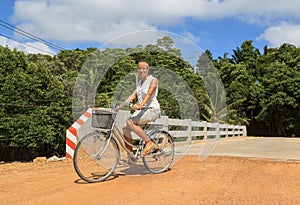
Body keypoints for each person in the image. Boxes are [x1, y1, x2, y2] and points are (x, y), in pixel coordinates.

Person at [117, 61, 161, 157]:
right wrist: (119, 107)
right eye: (139, 68)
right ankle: (130, 155)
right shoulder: (140, 83)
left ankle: (148, 142)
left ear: (147, 69)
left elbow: (149, 94)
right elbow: (132, 96)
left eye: (143, 68)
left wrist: (140, 105)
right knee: (125, 129)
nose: (141, 70)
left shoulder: (153, 80)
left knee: (129, 121)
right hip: (142, 110)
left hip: (152, 109)